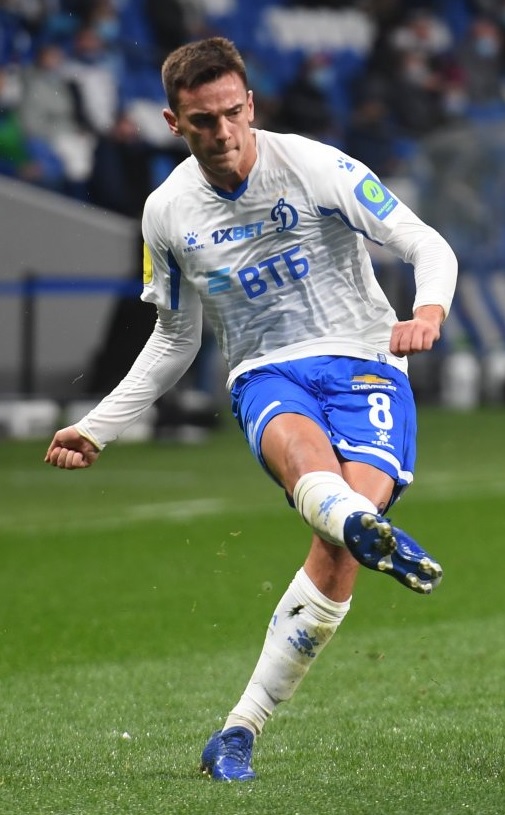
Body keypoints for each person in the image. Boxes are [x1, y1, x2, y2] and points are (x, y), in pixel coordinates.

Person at [45, 37, 458, 782]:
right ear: (174, 122)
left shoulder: (316, 166)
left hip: (367, 363)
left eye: (233, 112)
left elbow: (425, 243)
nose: (224, 132)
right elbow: (175, 337)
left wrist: (426, 311)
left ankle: (238, 728)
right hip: (267, 373)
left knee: (340, 544)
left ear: (251, 105)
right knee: (325, 491)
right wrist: (98, 425)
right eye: (204, 120)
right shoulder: (166, 211)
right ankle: (358, 525)